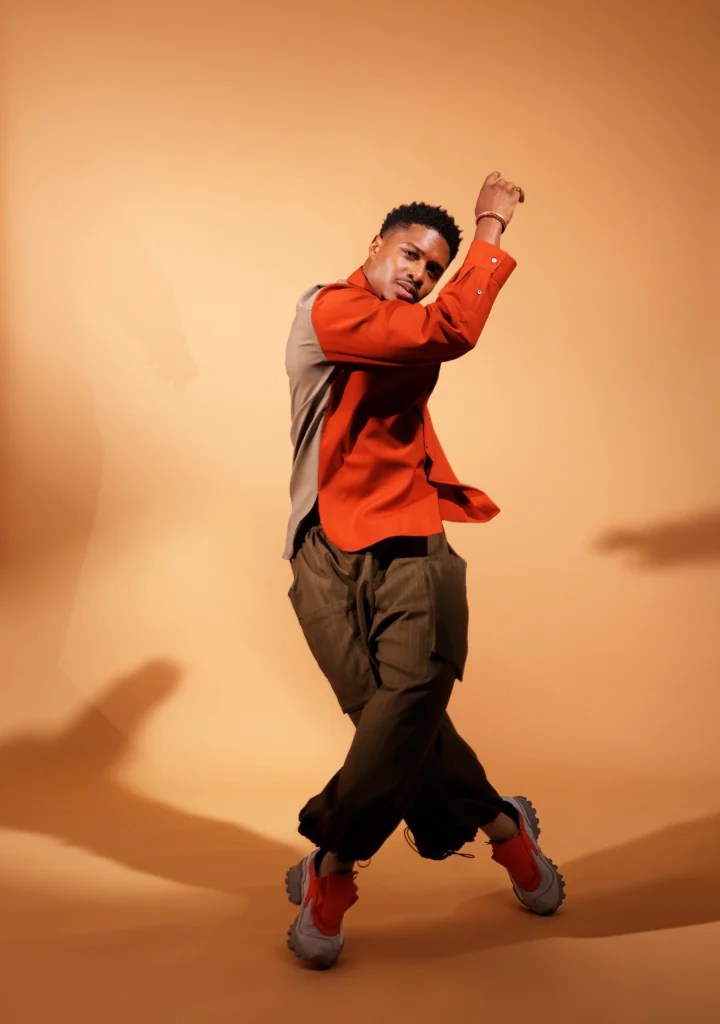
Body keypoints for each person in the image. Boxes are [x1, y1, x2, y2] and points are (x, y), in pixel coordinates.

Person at [282, 171, 564, 969]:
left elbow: (438, 329)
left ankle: (330, 873)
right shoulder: (329, 310)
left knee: (404, 707)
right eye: (409, 255)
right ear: (374, 248)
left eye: (433, 268)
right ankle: (507, 832)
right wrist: (488, 228)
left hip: (410, 539)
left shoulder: (410, 321)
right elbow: (448, 332)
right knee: (390, 720)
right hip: (321, 551)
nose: (418, 274)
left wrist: (478, 251)